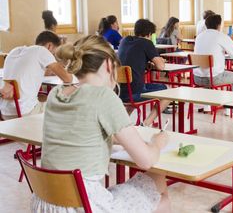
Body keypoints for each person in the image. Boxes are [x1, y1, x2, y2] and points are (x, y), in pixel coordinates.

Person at [37, 35, 170, 213]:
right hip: (83, 205)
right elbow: (146, 161)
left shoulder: (56, 94)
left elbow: (79, 132)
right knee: (158, 180)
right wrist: (157, 143)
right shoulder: (103, 96)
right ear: (109, 64)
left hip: (47, 202)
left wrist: (114, 139)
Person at [0, 31, 72, 120]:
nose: (53, 56)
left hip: (5, 112)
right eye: (53, 54)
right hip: (25, 112)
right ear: (50, 46)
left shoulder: (15, 51)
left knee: (42, 98)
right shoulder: (42, 51)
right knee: (62, 107)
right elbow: (68, 78)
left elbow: (29, 71)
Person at [118, 19, 171, 125]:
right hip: (135, 93)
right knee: (167, 92)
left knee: (132, 90)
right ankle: (146, 123)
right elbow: (160, 67)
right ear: (149, 34)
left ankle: (121, 124)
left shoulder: (124, 40)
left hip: (120, 91)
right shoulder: (146, 43)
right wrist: (159, 59)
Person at [194, 14, 233, 92]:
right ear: (219, 25)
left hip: (196, 78)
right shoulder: (221, 36)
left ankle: (208, 103)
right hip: (213, 79)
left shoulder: (199, 37)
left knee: (212, 71)